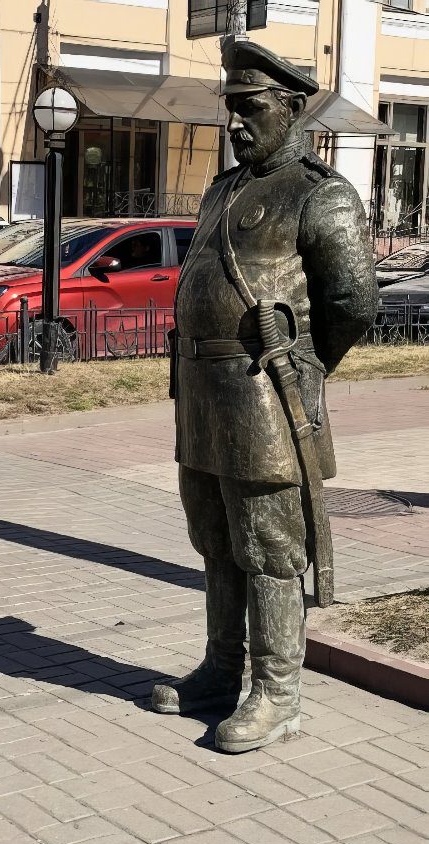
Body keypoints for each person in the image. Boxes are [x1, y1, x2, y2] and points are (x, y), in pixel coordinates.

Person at [150, 38, 378, 752]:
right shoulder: (224, 188)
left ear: (290, 107)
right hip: (203, 394)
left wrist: (303, 367)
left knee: (270, 545)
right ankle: (222, 670)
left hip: (265, 397)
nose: (237, 124)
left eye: (251, 109)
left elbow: (352, 300)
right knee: (215, 539)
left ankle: (277, 693)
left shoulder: (320, 193)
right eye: (232, 110)